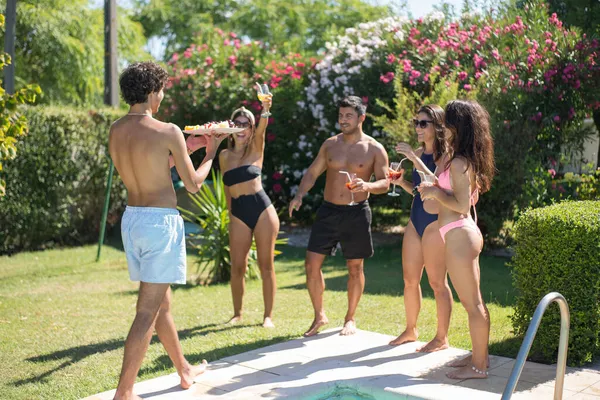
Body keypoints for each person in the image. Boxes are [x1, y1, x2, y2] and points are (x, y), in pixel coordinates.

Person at [108, 61, 225, 400]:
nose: (162, 97)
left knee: (161, 307)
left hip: (133, 220)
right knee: (146, 312)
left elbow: (152, 164)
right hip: (160, 224)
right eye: (161, 91)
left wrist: (188, 148)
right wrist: (212, 152)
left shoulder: (116, 129)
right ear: (150, 91)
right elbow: (193, 185)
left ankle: (184, 369)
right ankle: (124, 393)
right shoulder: (168, 129)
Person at [288, 96, 390, 337]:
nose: (343, 120)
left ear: (361, 118)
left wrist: (367, 185)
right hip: (328, 211)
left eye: (348, 116)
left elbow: (385, 182)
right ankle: (319, 315)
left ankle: (350, 318)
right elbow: (313, 172)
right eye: (341, 115)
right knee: (311, 264)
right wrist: (299, 195)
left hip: (357, 213)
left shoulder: (374, 148)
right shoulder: (330, 145)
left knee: (355, 268)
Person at [415, 99, 495, 380]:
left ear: (457, 125)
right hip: (456, 233)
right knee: (471, 302)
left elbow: (461, 204)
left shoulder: (461, 162)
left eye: (447, 122)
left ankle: (480, 367)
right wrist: (433, 187)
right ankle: (476, 359)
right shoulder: (456, 157)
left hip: (461, 233)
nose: (442, 126)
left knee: (473, 304)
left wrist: (436, 193)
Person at [388, 105, 453, 353]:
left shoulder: (445, 155)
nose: (417, 127)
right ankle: (411, 329)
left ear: (437, 126)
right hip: (415, 220)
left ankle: (441, 337)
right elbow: (419, 189)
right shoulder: (417, 152)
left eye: (423, 123)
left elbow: (437, 183)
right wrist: (400, 181)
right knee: (409, 279)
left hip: (435, 224)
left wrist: (415, 160)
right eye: (416, 122)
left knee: (437, 282)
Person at [218, 90, 278, 328]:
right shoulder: (224, 155)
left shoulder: (256, 147)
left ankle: (268, 316)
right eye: (237, 123)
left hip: (262, 210)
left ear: (252, 129)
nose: (241, 127)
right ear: (231, 127)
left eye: (246, 124)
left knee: (266, 265)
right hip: (238, 213)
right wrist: (230, 214)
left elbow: (264, 126)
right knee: (238, 267)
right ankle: (237, 313)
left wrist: (265, 108)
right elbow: (226, 187)